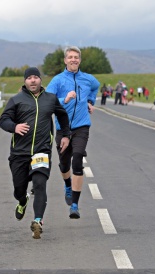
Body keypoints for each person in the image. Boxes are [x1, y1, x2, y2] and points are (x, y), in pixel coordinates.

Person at [0, 67, 71, 239]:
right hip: (19, 152)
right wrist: (14, 127)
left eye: (35, 77)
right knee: (19, 188)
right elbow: (3, 120)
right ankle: (22, 201)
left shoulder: (51, 99)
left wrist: (66, 135)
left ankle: (38, 221)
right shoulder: (16, 100)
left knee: (40, 184)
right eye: (29, 78)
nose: (33, 80)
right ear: (25, 81)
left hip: (42, 150)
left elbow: (62, 116)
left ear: (40, 80)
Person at [46, 46, 100, 219]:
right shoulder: (58, 80)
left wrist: (90, 101)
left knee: (77, 158)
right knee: (63, 164)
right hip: (63, 127)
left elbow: (96, 86)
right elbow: (47, 100)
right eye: (70, 57)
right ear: (65, 60)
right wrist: (64, 99)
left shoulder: (87, 79)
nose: (73, 60)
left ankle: (75, 205)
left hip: (82, 126)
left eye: (76, 57)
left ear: (80, 60)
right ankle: (67, 184)